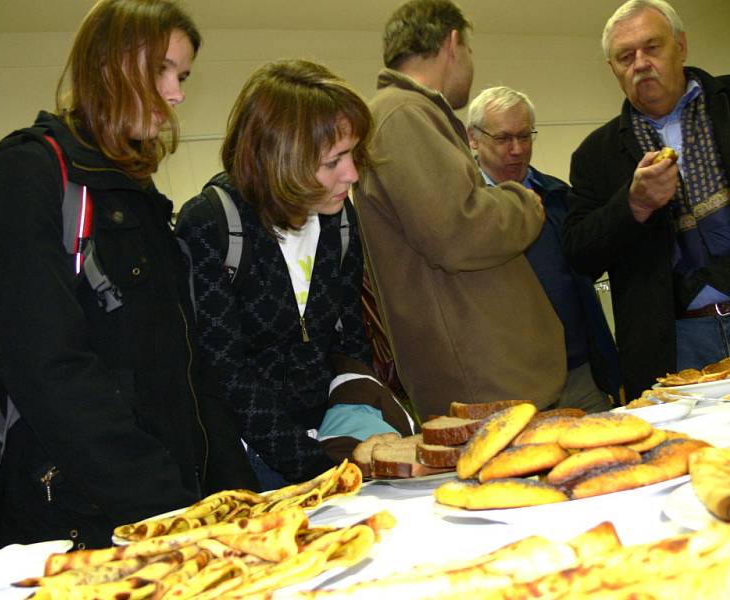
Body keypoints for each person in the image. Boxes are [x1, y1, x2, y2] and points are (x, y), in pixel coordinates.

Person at [0, 0, 254, 558]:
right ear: (111, 64)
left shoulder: (138, 194)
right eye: (164, 70)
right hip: (76, 523)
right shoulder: (30, 173)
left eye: (183, 75)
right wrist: (164, 507)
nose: (177, 94)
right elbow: (48, 369)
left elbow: (189, 373)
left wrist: (235, 497)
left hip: (168, 513)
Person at [175, 60, 414, 489]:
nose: (353, 174)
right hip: (252, 458)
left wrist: (356, 413)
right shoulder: (212, 223)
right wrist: (313, 465)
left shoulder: (338, 221)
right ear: (279, 159)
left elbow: (348, 336)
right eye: (333, 161)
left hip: (330, 433)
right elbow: (225, 370)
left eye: (353, 155)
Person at [354, 0, 566, 420]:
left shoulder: (408, 114)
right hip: (484, 379)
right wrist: (522, 201)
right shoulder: (402, 115)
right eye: (469, 51)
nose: (469, 63)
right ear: (453, 44)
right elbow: (457, 231)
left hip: (486, 376)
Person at [563, 0, 730, 400]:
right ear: (614, 70)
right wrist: (632, 206)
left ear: (681, 46)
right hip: (674, 342)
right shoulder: (594, 155)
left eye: (652, 47)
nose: (640, 63)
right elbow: (578, 254)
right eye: (626, 56)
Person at [467, 86, 621, 412]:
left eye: (525, 136)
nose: (517, 150)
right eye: (503, 138)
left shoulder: (558, 197)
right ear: (473, 138)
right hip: (512, 386)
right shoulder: (465, 212)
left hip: (581, 374)